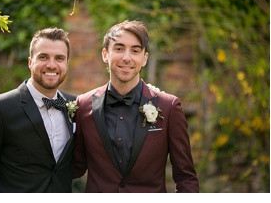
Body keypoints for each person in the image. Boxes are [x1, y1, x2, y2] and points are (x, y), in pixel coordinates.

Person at [73, 20, 199, 192]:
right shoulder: (82, 106)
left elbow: (186, 178)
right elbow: (73, 168)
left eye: (135, 50)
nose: (126, 57)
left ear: (144, 58)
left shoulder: (168, 107)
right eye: (119, 49)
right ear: (105, 54)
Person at [0, 28, 76, 192]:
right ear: (30, 62)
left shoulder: (75, 105)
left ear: (67, 63)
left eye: (59, 58)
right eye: (43, 57)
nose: (51, 64)